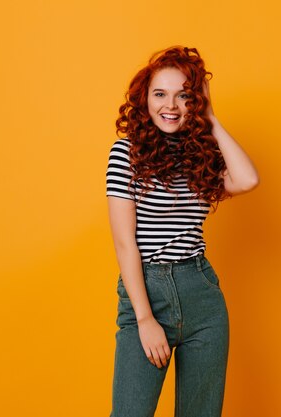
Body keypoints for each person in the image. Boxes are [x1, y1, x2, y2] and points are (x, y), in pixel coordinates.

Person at [105, 45, 260, 417]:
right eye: (160, 94)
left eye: (183, 95)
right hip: (147, 292)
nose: (170, 105)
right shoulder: (125, 153)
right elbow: (126, 244)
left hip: (201, 295)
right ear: (144, 99)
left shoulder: (200, 159)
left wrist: (211, 117)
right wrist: (144, 319)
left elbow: (248, 179)